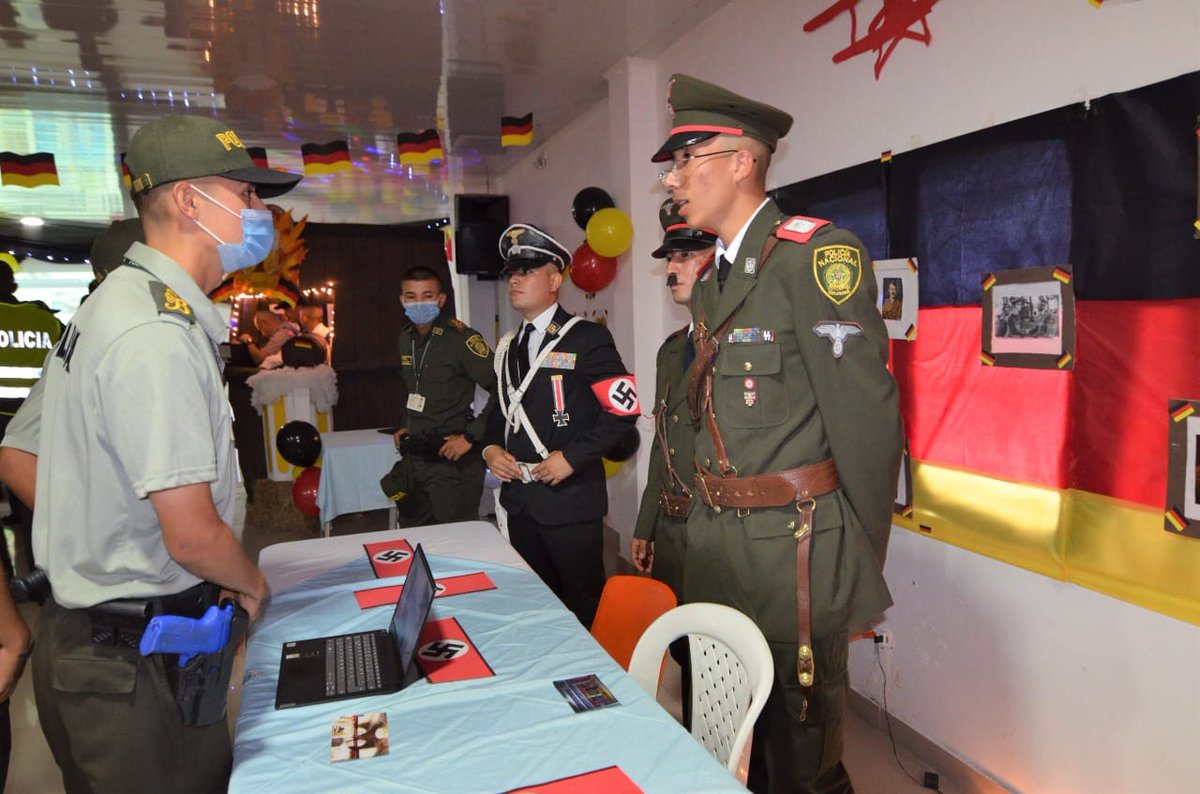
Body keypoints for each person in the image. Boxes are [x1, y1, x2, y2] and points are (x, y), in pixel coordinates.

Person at [1, 113, 300, 793]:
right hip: (134, 660)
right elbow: (192, 536)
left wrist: (103, 527)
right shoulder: (154, 331)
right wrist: (253, 587)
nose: (261, 213)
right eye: (247, 195)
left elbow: (19, 452)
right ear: (190, 201)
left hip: (97, 640)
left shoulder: (122, 301)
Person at [654, 74, 904, 793]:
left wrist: (850, 554)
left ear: (742, 161)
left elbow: (865, 418)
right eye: (673, 164)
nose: (673, 179)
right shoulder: (713, 283)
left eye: (687, 158)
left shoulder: (813, 259)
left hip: (792, 553)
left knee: (800, 756)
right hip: (716, 547)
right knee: (726, 735)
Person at [482, 224, 640, 627]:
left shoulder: (586, 338)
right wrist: (490, 449)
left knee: (583, 607)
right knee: (536, 607)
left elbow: (624, 410)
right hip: (520, 502)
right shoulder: (509, 345)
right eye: (511, 273)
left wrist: (572, 458)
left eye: (528, 271)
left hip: (569, 500)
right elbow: (501, 413)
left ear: (555, 280)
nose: (515, 280)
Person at [630, 199, 717, 598]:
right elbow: (662, 442)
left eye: (685, 256)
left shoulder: (739, 345)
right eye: (669, 258)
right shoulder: (672, 350)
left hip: (717, 531)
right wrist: (646, 525)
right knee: (681, 642)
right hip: (671, 527)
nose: (670, 269)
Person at [390, 265, 497, 526]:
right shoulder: (406, 339)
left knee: (455, 542)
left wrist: (473, 437)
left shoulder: (461, 339)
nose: (419, 303)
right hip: (416, 457)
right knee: (416, 536)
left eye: (427, 296)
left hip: (453, 459)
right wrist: (408, 424)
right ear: (402, 300)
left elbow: (504, 389)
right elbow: (415, 389)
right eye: (411, 297)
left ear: (441, 299)